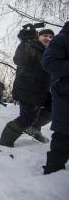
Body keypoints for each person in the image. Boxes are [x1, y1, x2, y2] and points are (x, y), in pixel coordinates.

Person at [0, 28, 54, 147]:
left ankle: (33, 127)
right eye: (45, 35)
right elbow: (19, 59)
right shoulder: (30, 46)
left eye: (50, 37)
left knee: (54, 108)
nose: (48, 38)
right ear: (38, 36)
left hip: (44, 90)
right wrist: (25, 41)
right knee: (27, 117)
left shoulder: (49, 52)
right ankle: (5, 143)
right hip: (28, 89)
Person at [42, 22, 69, 174]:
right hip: (66, 95)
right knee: (64, 136)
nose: (47, 38)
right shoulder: (62, 38)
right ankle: (52, 175)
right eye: (45, 35)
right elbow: (49, 63)